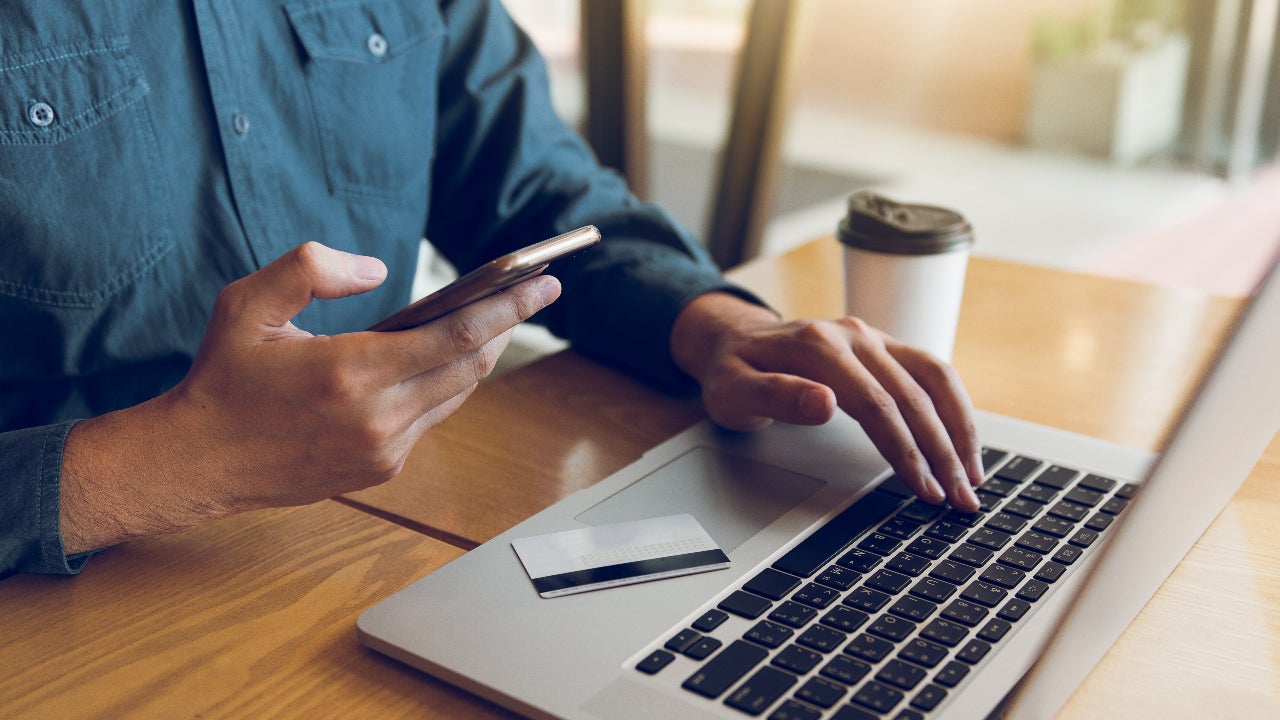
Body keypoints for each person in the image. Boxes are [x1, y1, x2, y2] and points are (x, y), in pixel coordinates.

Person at [0, 0, 982, 578]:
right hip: (66, 610)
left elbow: (532, 189)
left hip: (375, 559)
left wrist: (712, 326)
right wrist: (171, 461)